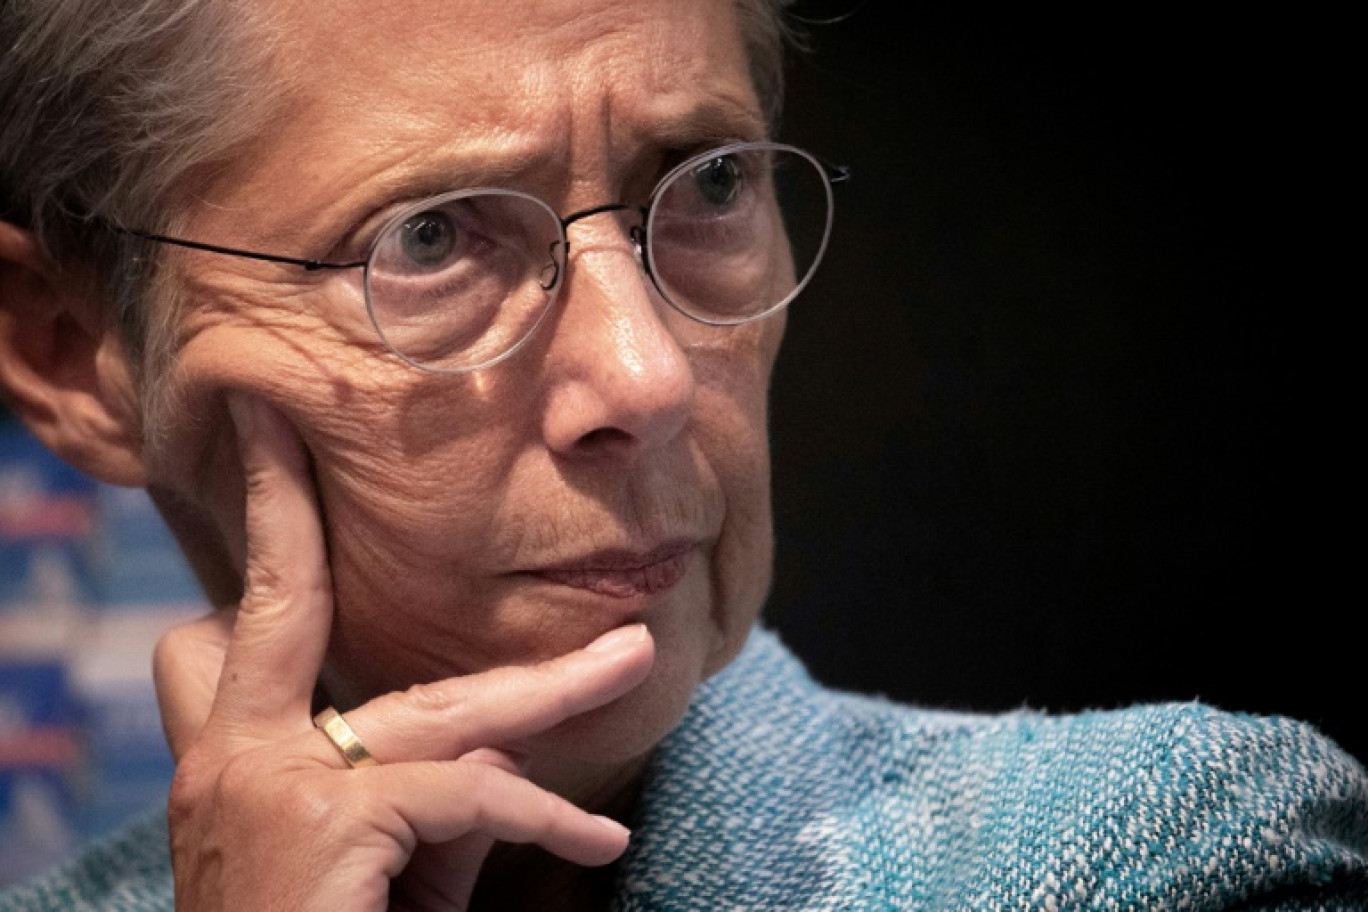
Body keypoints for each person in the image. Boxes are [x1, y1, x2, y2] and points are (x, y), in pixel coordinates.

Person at [0, 0, 1364, 908]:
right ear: (76, 358)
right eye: (428, 238)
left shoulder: (1169, 848)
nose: (646, 377)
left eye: (708, 185)